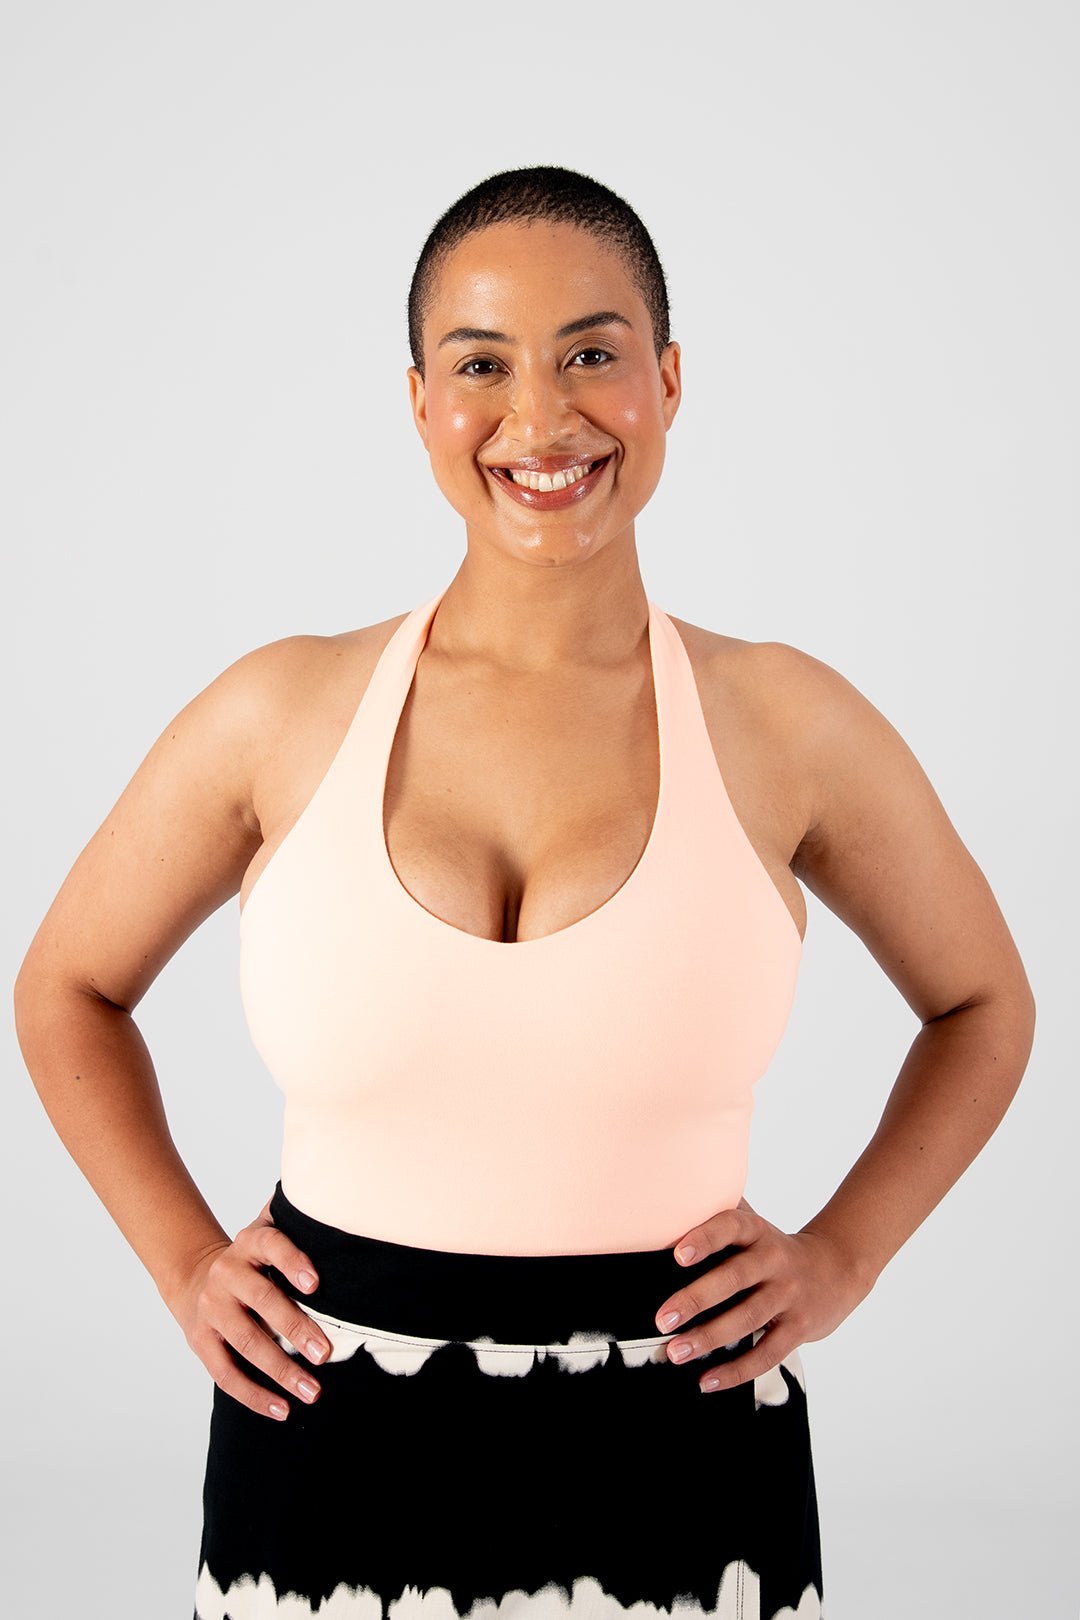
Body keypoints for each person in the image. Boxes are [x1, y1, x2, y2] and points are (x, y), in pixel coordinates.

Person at [13, 164, 1035, 1620]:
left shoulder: (785, 722)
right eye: (482, 365)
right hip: (323, 1434)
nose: (542, 419)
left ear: (668, 381)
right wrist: (183, 1261)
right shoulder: (278, 713)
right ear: (420, 400)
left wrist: (843, 1257)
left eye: (592, 354)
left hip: (686, 1457)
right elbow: (67, 987)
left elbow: (984, 1003)